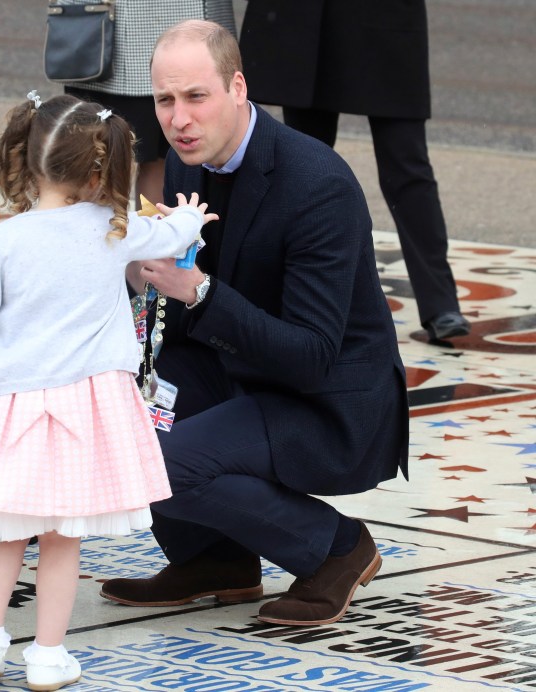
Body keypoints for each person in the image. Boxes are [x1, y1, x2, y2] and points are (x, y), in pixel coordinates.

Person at [97, 20, 409, 627]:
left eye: (196, 97)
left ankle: (337, 548)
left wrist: (200, 291)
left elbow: (312, 353)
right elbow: (185, 294)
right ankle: (216, 559)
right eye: (165, 100)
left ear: (238, 87)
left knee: (163, 463)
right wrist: (141, 274)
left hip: (326, 395)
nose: (179, 119)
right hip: (236, 360)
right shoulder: (191, 160)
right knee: (111, 416)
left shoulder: (318, 184)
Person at [0, 92, 218, 691]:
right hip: (85, 406)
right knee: (62, 538)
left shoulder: (2, 241)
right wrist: (192, 216)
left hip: (10, 406)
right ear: (102, 168)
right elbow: (168, 233)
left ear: (27, 161)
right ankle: (49, 657)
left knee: (3, 532)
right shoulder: (116, 229)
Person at [238, 0, 470, 343]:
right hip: (308, 17)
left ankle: (440, 303)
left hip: (382, 17)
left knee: (406, 162)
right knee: (299, 164)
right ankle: (284, 291)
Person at [56, 0, 236, 204]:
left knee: (168, 157)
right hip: (103, 26)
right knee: (96, 158)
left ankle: (161, 232)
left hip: (167, 26)